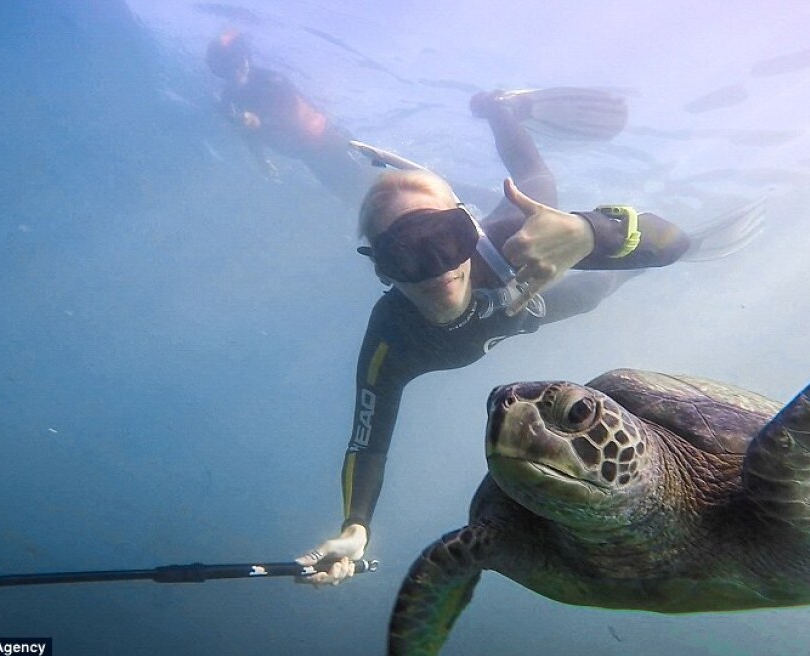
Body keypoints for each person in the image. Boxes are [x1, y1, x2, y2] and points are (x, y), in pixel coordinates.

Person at [295, 90, 705, 585]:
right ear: (383, 270)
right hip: (521, 307)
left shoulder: (517, 241)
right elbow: (368, 443)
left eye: (448, 239)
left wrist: (588, 231)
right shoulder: (392, 340)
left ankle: (500, 108)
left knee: (543, 193)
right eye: (406, 254)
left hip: (524, 289)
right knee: (591, 290)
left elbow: (673, 243)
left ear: (469, 229)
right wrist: (355, 527)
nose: (437, 268)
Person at [206, 30, 373, 205]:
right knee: (346, 193)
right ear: (219, 70)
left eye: (237, 61)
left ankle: (389, 177)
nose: (235, 70)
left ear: (245, 56)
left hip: (327, 138)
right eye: (226, 67)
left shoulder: (270, 80)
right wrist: (261, 160)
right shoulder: (229, 97)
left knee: (363, 175)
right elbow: (246, 132)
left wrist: (261, 121)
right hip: (307, 153)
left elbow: (291, 113)